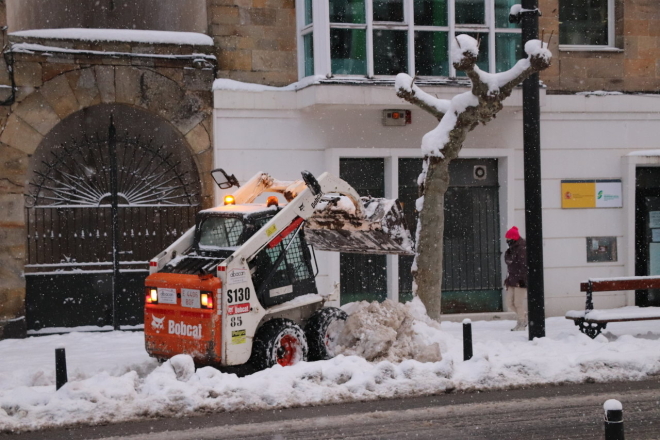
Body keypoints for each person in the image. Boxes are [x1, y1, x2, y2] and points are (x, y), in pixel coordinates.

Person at [504, 226, 527, 331]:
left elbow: (523, 265)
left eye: (508, 238)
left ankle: (522, 322)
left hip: (520, 280)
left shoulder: (522, 248)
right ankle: (523, 317)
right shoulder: (512, 249)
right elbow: (510, 264)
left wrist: (522, 279)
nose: (507, 241)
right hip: (512, 279)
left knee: (518, 303)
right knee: (509, 303)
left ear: (513, 238)